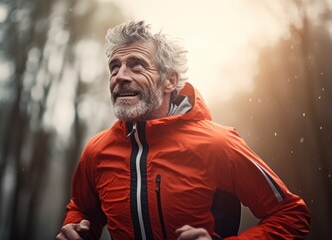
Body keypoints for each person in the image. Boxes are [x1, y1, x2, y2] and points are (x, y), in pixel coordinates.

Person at [56, 21, 311, 240]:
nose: (119, 76)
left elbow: (291, 215)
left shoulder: (218, 144)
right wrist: (77, 227)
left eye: (136, 65)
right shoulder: (96, 150)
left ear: (170, 81)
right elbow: (83, 209)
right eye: (114, 67)